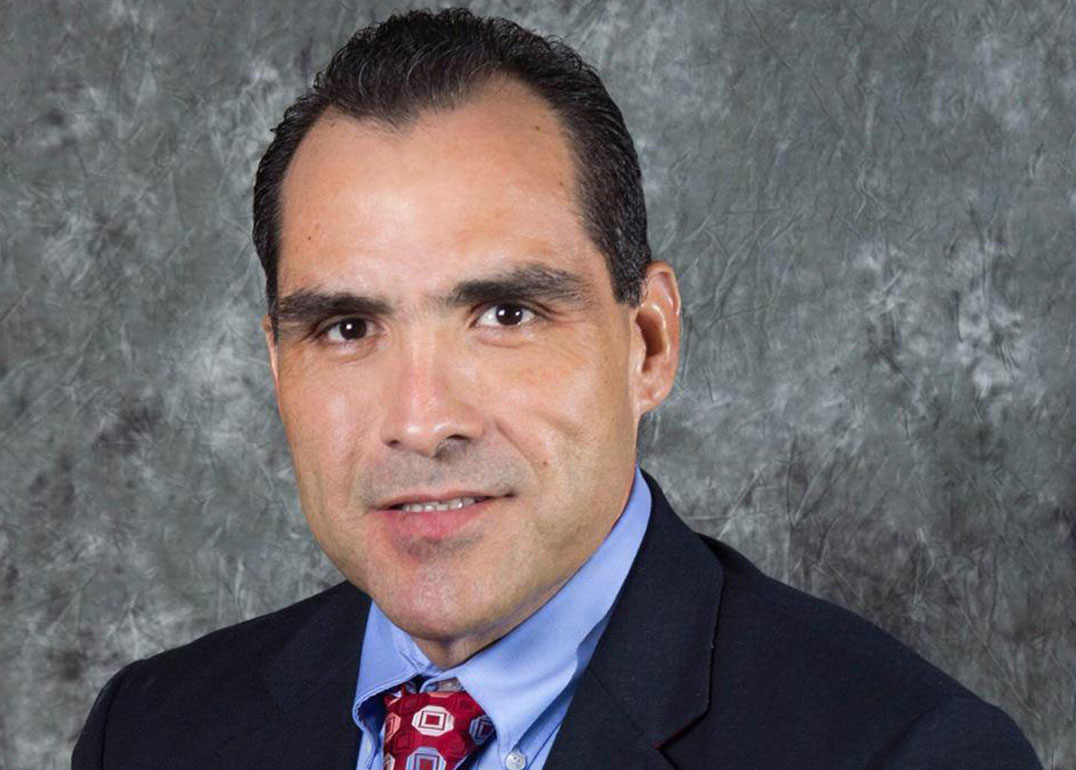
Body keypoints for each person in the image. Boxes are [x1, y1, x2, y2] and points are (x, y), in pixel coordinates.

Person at [73, 8, 1042, 770]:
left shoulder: (903, 751)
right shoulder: (151, 733)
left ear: (648, 343)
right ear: (278, 368)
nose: (421, 420)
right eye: (348, 328)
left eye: (505, 313)